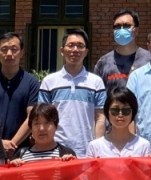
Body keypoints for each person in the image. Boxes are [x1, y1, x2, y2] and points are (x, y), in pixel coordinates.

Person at [36, 28, 105, 157]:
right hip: (55, 150)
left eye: (80, 46)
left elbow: (100, 117)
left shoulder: (96, 82)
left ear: (86, 52)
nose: (75, 50)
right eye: (70, 45)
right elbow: (42, 117)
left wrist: (97, 146)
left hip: (86, 150)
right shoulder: (49, 82)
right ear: (62, 50)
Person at [0, 32, 39, 157]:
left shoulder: (31, 82)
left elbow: (32, 116)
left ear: (22, 53)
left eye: (14, 49)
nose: (9, 54)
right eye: (4, 50)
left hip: (21, 150)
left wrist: (13, 143)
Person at [94, 9, 151, 85]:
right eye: (117, 26)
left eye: (126, 25)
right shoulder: (103, 63)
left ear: (136, 31)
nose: (121, 30)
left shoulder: (150, 60)